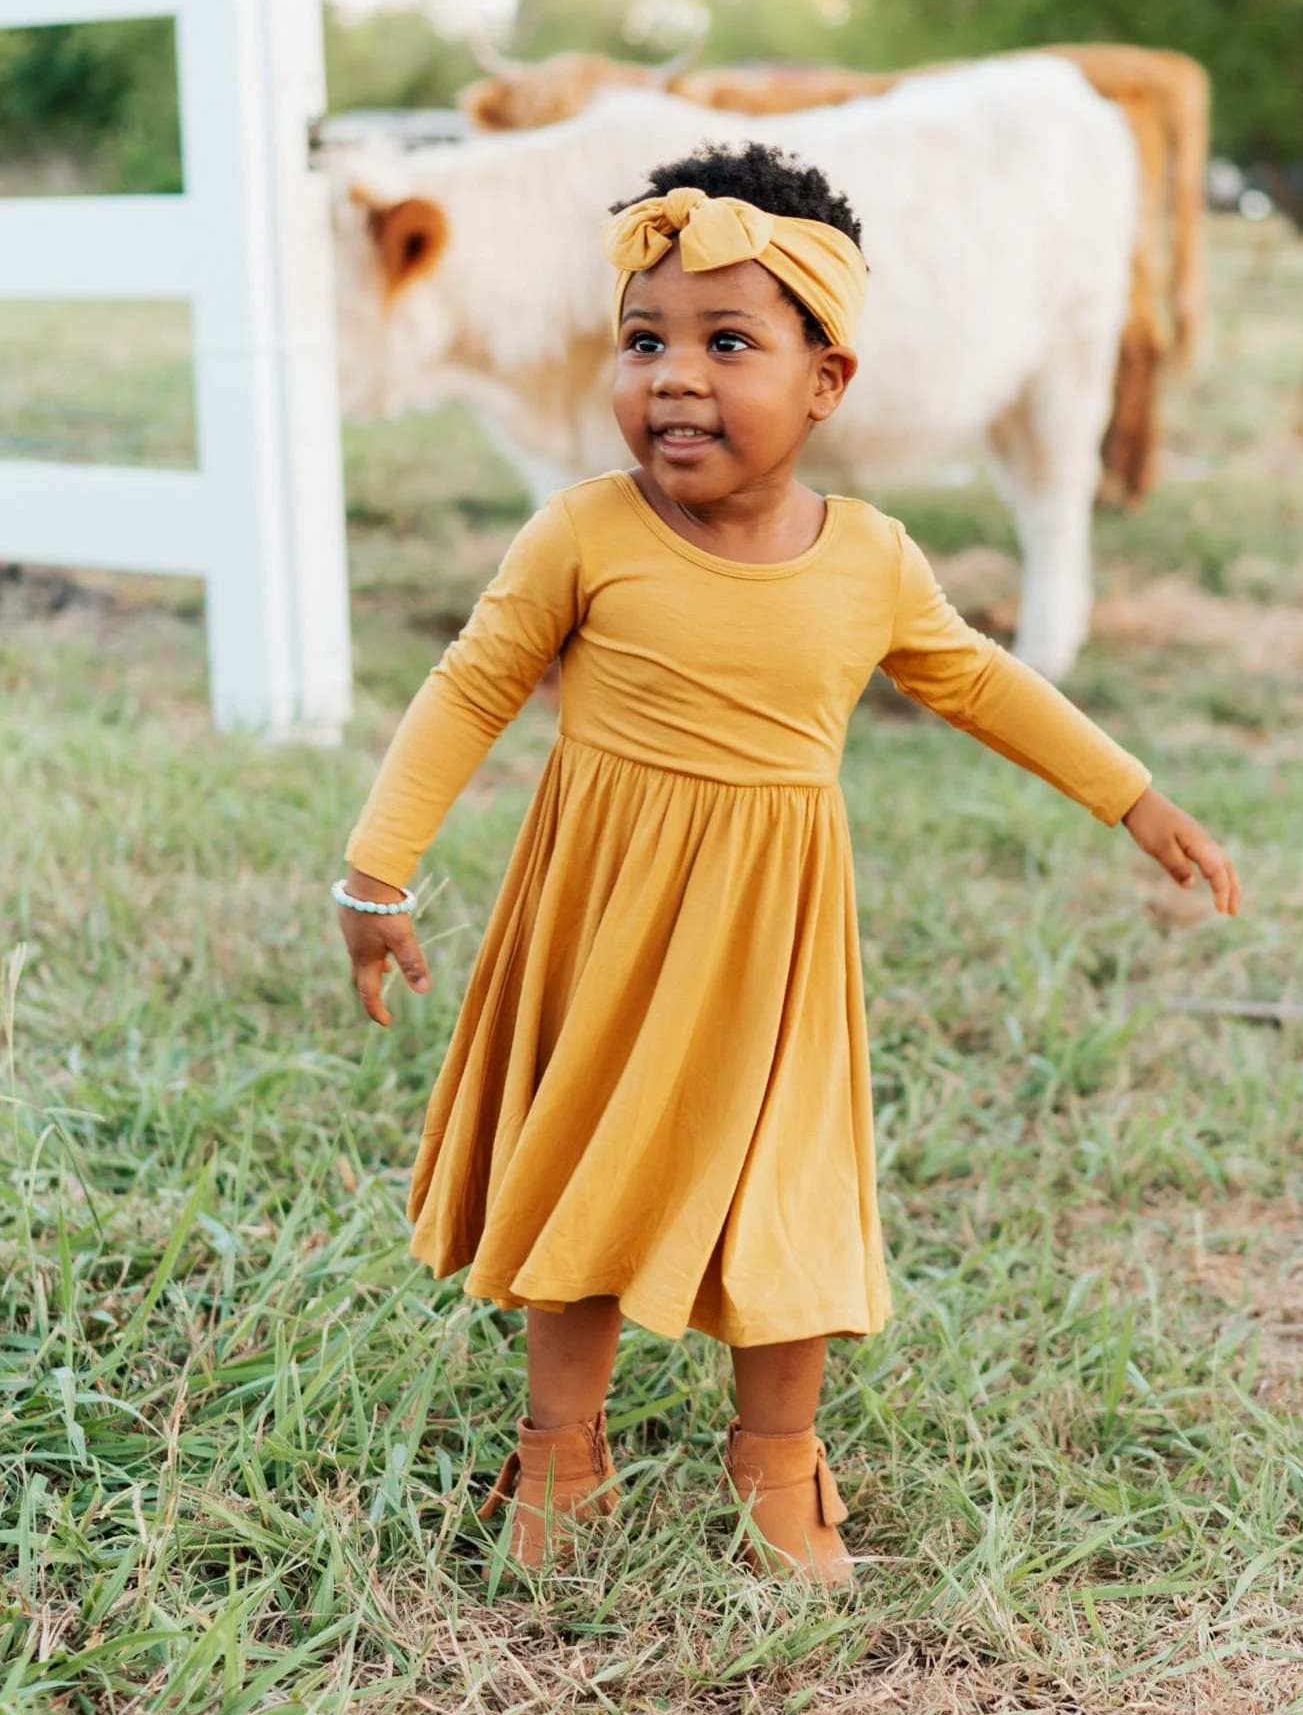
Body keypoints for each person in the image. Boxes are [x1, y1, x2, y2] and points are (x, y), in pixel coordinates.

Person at [334, 142, 1241, 1588]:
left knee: (787, 1197)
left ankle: (777, 1458)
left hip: (772, 949)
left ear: (828, 382)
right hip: (603, 927)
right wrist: (376, 873)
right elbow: (470, 687)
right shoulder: (583, 533)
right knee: (583, 1177)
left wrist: (1132, 797)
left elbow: (979, 681)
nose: (674, 379)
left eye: (727, 343)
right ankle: (562, 1447)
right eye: (644, 342)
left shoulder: (869, 559)